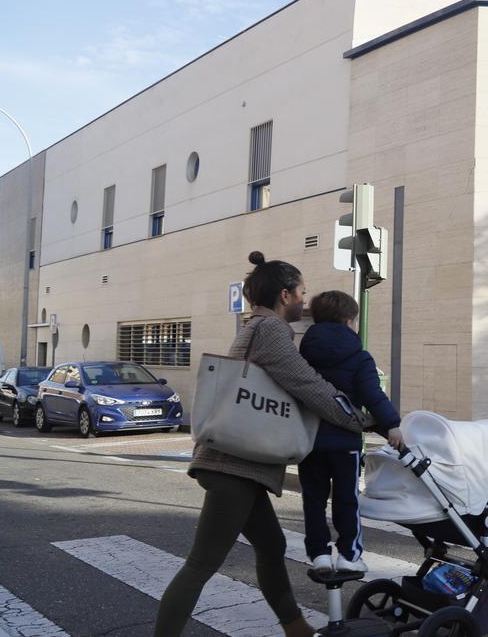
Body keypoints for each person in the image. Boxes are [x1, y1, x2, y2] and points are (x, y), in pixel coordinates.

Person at [155, 252, 372, 637]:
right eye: (302, 293)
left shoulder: (255, 326)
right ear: (285, 295)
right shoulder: (271, 333)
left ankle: (296, 627)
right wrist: (360, 419)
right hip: (232, 467)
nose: (305, 302)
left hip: (239, 466)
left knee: (271, 547)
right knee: (201, 564)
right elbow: (308, 386)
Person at [298, 290, 404, 574]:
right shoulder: (359, 357)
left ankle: (319, 554)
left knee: (313, 500)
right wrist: (392, 425)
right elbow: (373, 396)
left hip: (308, 442)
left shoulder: (303, 354)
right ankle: (349, 555)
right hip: (345, 443)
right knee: (347, 499)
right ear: (348, 322)